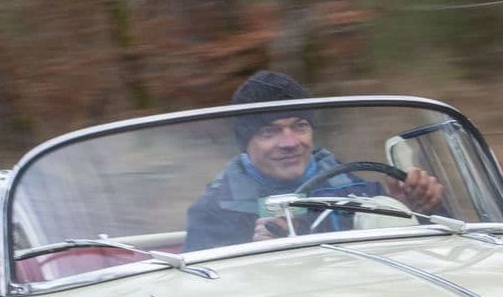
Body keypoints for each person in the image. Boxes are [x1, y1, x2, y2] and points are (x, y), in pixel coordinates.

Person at [183, 71, 445, 251]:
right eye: (269, 132)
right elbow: (205, 292)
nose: (290, 142)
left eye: (300, 126)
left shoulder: (356, 189)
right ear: (246, 144)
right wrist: (256, 253)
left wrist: (419, 208)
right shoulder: (214, 211)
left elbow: (428, 255)